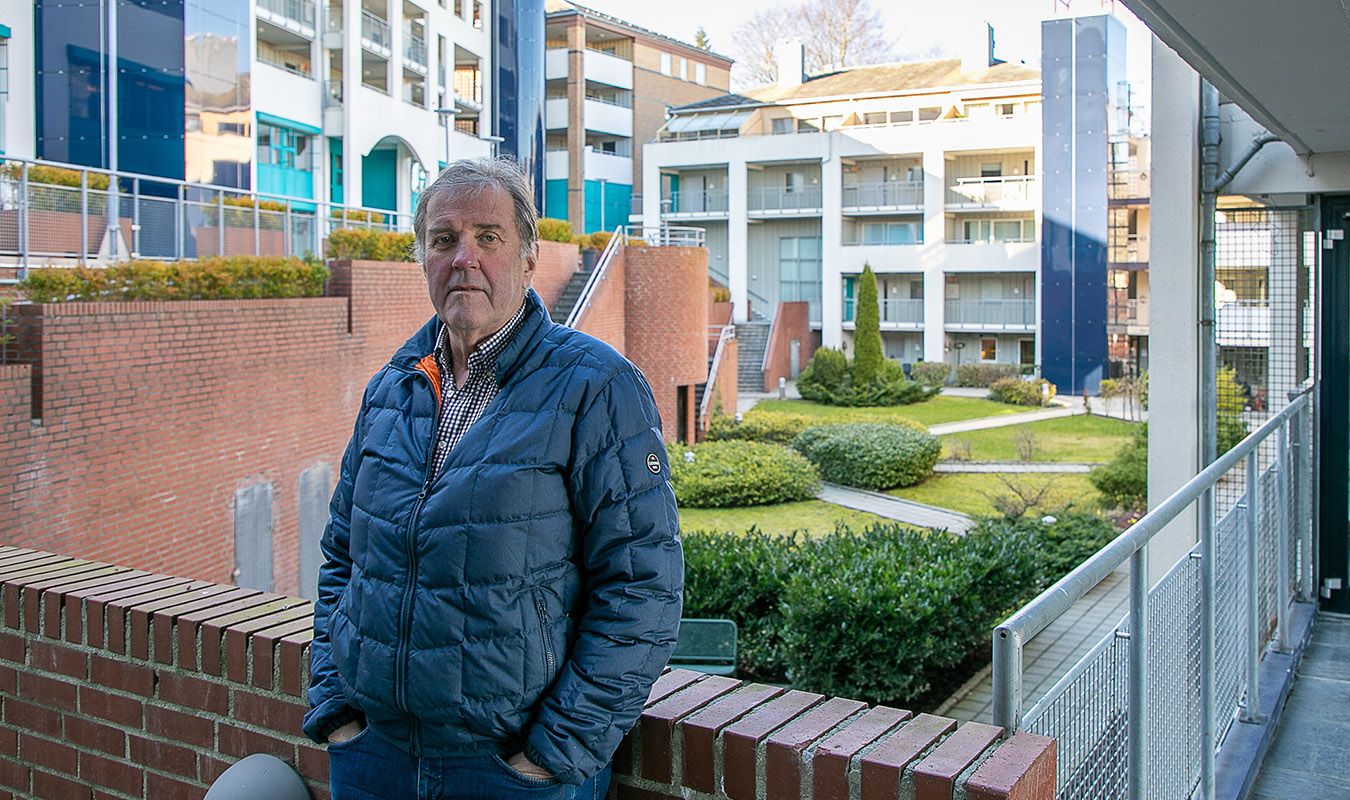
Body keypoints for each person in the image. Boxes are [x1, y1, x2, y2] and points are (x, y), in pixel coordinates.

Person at [302, 157, 683, 799]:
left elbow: (644, 582)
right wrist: (337, 708)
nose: (464, 258)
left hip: (511, 773)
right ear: (422, 255)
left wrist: (553, 753)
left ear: (529, 256)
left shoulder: (594, 386)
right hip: (376, 758)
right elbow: (344, 555)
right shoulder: (390, 391)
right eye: (444, 239)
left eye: (488, 237)